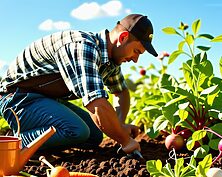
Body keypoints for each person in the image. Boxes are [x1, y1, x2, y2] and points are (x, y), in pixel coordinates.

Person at [0, 14, 158, 154]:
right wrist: (125, 140)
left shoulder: (109, 60)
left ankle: (41, 147)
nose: (136, 60)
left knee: (94, 135)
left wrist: (119, 125)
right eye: (137, 51)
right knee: (76, 130)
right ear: (123, 38)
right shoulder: (83, 47)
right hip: (16, 98)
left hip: (43, 99)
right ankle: (11, 143)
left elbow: (121, 92)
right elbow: (97, 105)